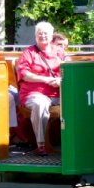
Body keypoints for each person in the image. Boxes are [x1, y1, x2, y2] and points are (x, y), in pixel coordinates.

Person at [17, 21, 64, 155]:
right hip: (34, 93)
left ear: (51, 36)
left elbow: (68, 70)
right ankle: (41, 145)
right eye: (39, 33)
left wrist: (60, 80)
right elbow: (24, 74)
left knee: (76, 100)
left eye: (45, 33)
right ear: (35, 35)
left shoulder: (59, 52)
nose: (43, 36)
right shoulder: (29, 52)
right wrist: (45, 79)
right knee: (40, 104)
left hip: (58, 92)